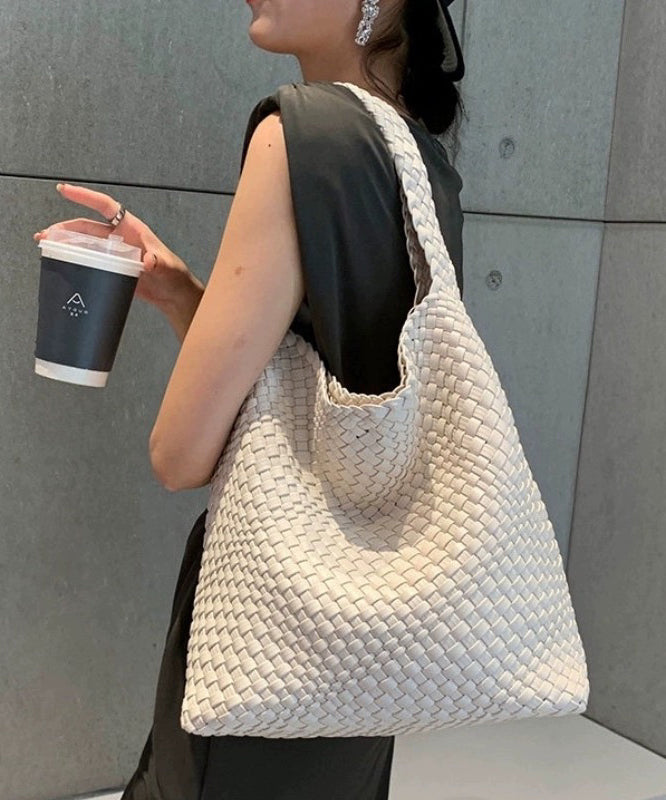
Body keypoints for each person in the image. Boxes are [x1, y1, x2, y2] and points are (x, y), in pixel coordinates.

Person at [34, 0, 466, 797]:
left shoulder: (298, 135)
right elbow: (324, 387)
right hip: (366, 647)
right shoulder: (423, 160)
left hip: (265, 634)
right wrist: (185, 295)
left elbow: (180, 455)